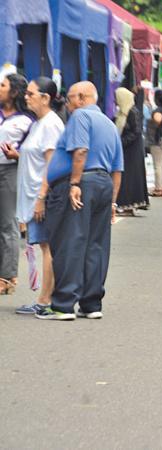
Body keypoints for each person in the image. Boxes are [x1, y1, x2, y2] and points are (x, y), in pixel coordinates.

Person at [35, 81, 123, 320]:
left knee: (70, 242)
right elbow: (117, 169)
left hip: (82, 183)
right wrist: (113, 202)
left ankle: (63, 305)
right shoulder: (109, 123)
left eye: (71, 98)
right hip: (104, 185)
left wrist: (74, 184)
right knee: (96, 245)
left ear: (82, 97)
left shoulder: (81, 116)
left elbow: (81, 150)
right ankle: (91, 303)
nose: (68, 103)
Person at [11, 77, 64, 314]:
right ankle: (45, 299)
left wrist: (41, 197)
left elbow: (51, 164)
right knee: (44, 245)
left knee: (47, 247)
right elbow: (37, 158)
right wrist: (18, 156)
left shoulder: (51, 124)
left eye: (31, 93)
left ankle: (45, 300)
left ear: (45, 98)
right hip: (34, 195)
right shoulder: (38, 123)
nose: (26, 96)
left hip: (41, 197)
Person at [0, 73, 34, 296]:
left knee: (7, 225)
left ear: (13, 92)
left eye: (2, 85)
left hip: (10, 172)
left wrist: (18, 154)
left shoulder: (27, 120)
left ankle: (7, 276)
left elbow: (34, 151)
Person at [114, 88, 148, 215]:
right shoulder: (123, 112)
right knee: (126, 177)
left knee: (130, 177)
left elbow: (135, 131)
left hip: (132, 151)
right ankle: (125, 205)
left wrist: (121, 142)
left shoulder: (132, 112)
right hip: (128, 149)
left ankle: (128, 205)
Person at [146, 90, 162, 197]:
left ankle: (158, 188)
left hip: (158, 139)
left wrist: (150, 121)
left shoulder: (158, 110)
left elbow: (157, 119)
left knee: (157, 165)